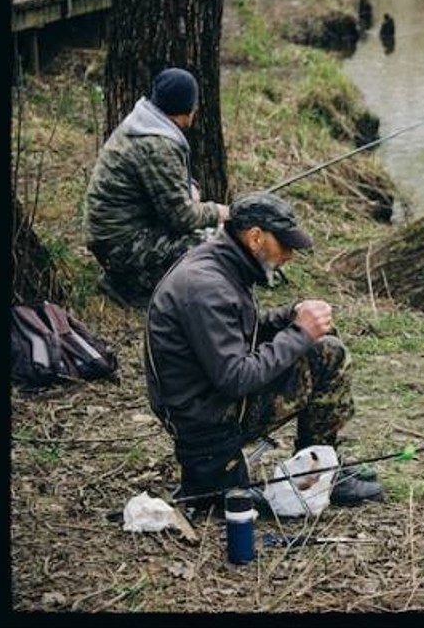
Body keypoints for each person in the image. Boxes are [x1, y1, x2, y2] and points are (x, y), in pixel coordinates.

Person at [143, 191, 384, 512]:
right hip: (206, 422)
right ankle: (316, 470)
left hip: (211, 402)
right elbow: (235, 378)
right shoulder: (206, 286)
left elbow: (240, 333)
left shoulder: (222, 265)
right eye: (284, 244)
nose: (289, 255)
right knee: (325, 351)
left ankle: (319, 467)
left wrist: (289, 315)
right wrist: (300, 331)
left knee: (324, 347)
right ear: (255, 237)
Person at [84, 67, 230, 308]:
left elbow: (157, 183)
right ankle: (131, 283)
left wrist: (188, 188)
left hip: (115, 233)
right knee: (216, 243)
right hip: (120, 244)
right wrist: (220, 212)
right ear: (188, 110)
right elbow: (181, 218)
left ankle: (128, 277)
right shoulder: (156, 144)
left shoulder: (146, 122)